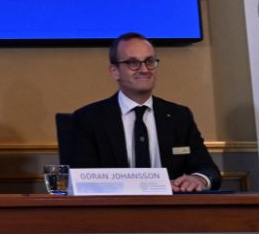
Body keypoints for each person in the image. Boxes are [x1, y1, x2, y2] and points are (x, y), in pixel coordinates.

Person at [68, 32, 220, 192]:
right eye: (133, 63)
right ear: (115, 71)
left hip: (170, 211)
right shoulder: (88, 119)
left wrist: (199, 179)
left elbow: (208, 170)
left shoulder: (179, 116)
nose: (144, 69)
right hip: (113, 211)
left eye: (149, 61)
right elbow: (83, 178)